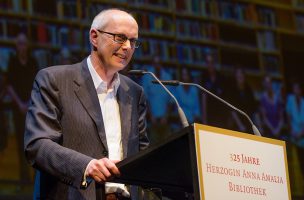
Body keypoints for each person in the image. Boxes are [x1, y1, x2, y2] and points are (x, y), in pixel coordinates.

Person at [24, 9, 149, 200]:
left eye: (133, 41)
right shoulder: (54, 80)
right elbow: (37, 145)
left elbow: (142, 153)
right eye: (120, 38)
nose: (127, 47)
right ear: (94, 37)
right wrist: (86, 166)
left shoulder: (134, 92)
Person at [7, 33, 38, 184]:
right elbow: (9, 85)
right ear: (16, 45)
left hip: (32, 107)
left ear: (28, 45)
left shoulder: (33, 62)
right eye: (19, 43)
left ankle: (35, 177)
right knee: (20, 142)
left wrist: (29, 103)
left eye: (24, 43)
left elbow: (38, 84)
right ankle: (24, 178)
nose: (22, 47)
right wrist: (20, 104)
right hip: (18, 108)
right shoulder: (13, 62)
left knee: (33, 141)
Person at [227, 68, 257, 133]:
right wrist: (240, 125)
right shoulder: (232, 90)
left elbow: (254, 108)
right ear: (235, 77)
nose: (240, 77)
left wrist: (258, 126)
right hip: (237, 125)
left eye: (242, 75)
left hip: (249, 123)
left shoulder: (248, 89)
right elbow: (232, 110)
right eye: (238, 76)